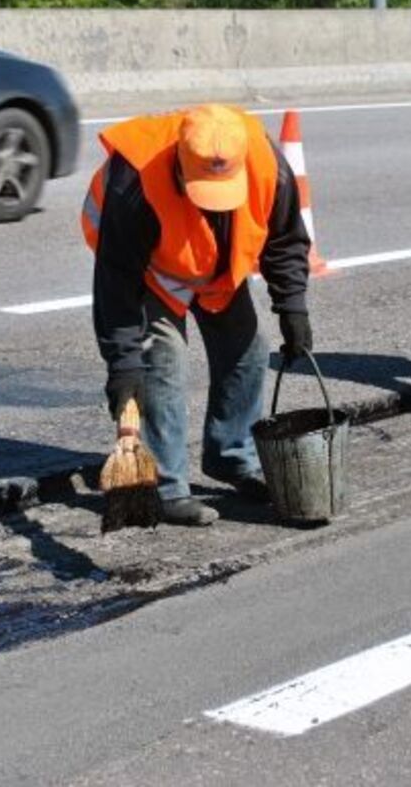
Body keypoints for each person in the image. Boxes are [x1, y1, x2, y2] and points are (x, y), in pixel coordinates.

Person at [81, 104, 313, 525]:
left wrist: (292, 307)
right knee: (163, 359)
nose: (216, 202)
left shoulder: (267, 164)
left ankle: (231, 456)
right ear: (180, 165)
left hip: (213, 263)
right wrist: (124, 365)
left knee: (249, 347)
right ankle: (167, 488)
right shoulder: (135, 180)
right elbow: (116, 284)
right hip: (149, 266)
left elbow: (284, 240)